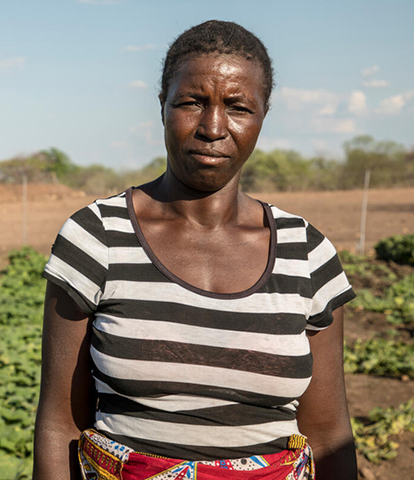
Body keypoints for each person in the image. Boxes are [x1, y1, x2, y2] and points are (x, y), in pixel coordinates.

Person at [33, 20, 357, 480]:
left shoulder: (308, 253)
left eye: (238, 107)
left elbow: (328, 435)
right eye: (191, 102)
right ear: (162, 106)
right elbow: (60, 424)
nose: (213, 127)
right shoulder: (97, 238)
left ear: (263, 115)